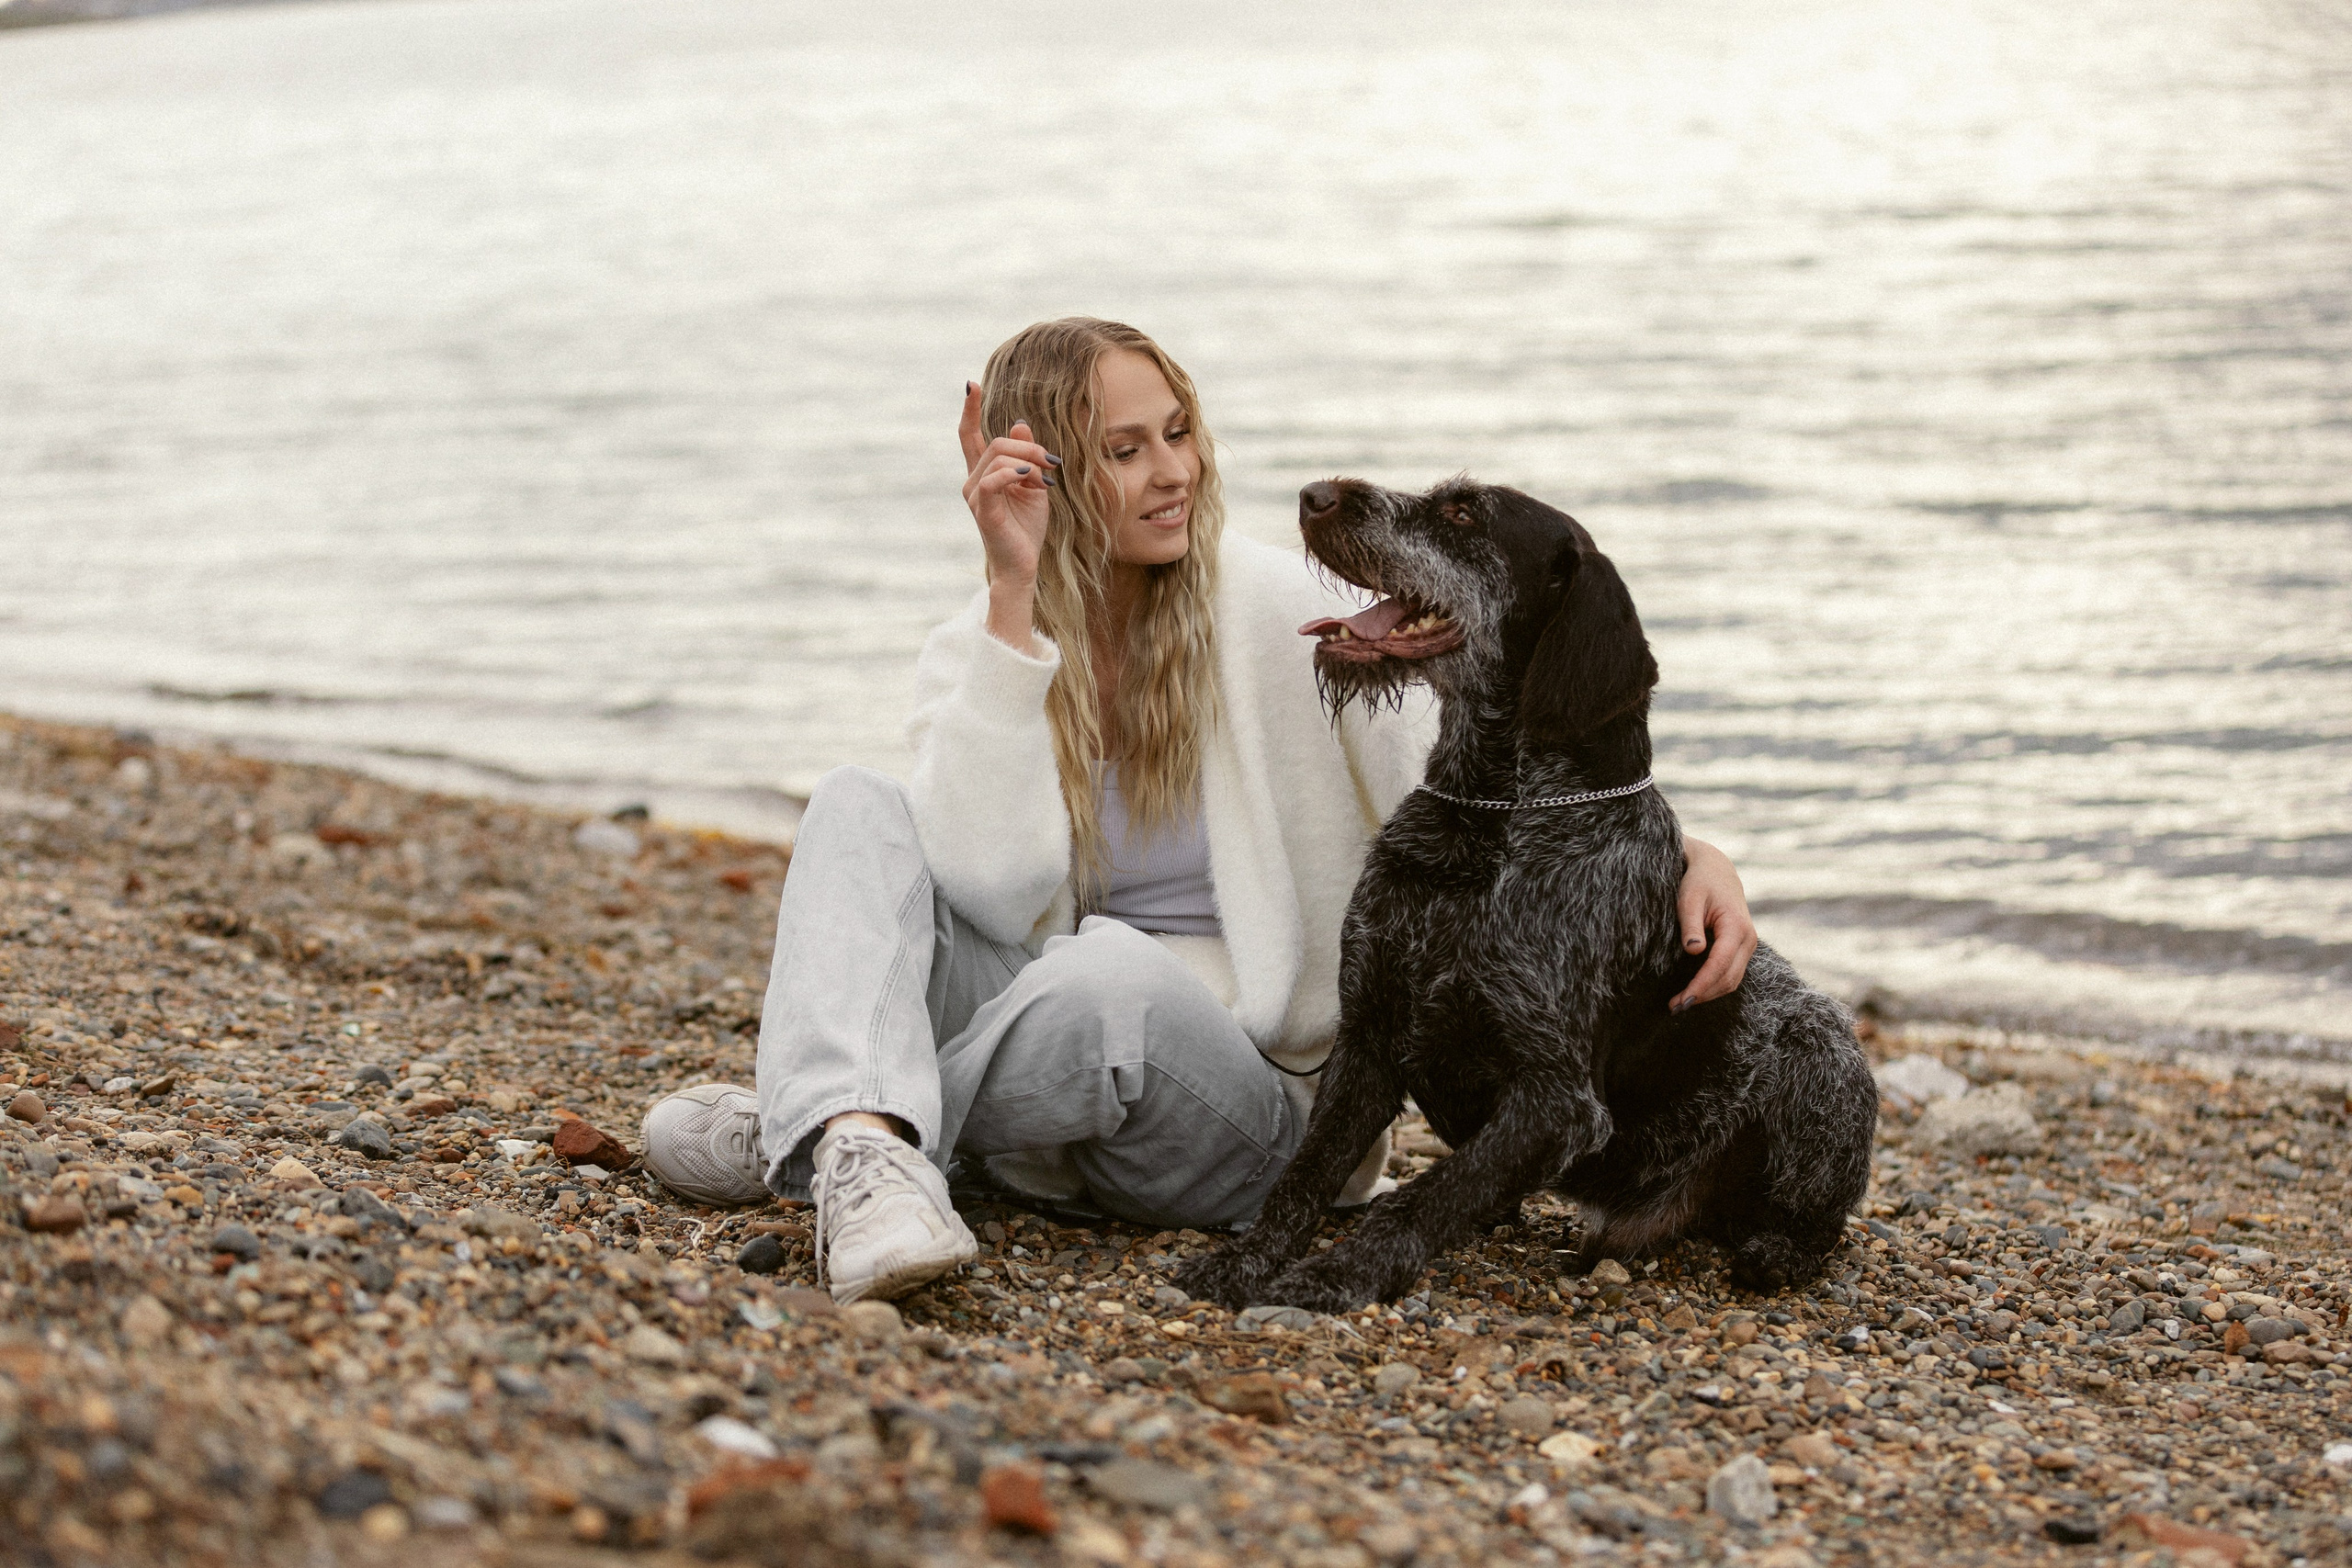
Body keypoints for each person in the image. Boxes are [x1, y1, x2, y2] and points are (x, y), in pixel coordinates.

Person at [640, 318, 1758, 1303]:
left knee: (1109, 976)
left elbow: (1493, 771)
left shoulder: (1280, 611)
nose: (1172, 471)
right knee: (854, 806)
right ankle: (859, 1138)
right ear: (1042, 470)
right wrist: (1011, 596)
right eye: (1124, 451)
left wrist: (1687, 850)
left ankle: (840, 1123)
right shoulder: (987, 641)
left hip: (1258, 1113)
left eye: (1178, 432)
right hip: (1059, 1061)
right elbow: (986, 887)